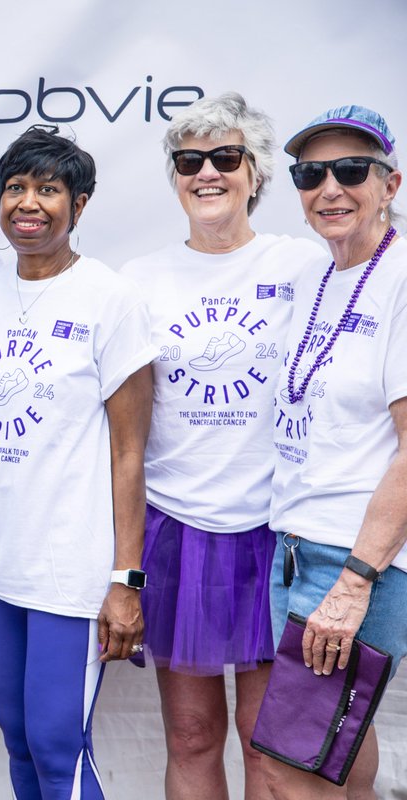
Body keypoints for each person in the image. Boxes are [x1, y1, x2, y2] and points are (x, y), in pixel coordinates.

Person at [118, 93, 323, 800]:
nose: (207, 173)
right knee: (193, 736)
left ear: (256, 172)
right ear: (175, 176)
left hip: (275, 530)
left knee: (273, 748)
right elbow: (125, 424)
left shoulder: (304, 266)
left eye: (225, 158)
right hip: (177, 530)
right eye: (189, 161)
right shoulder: (139, 280)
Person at [0, 124, 154, 800]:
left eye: (48, 189)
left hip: (69, 567)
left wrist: (126, 580)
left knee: (55, 741)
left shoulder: (109, 299)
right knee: (15, 733)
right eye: (15, 187)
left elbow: (130, 452)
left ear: (81, 204)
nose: (28, 203)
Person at [265, 105, 405, 799]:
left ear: (391, 184)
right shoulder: (312, 279)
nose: (330, 188)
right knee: (338, 747)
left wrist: (353, 583)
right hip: (295, 544)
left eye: (352, 170)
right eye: (311, 173)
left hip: (353, 559)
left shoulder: (403, 277)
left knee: (292, 762)